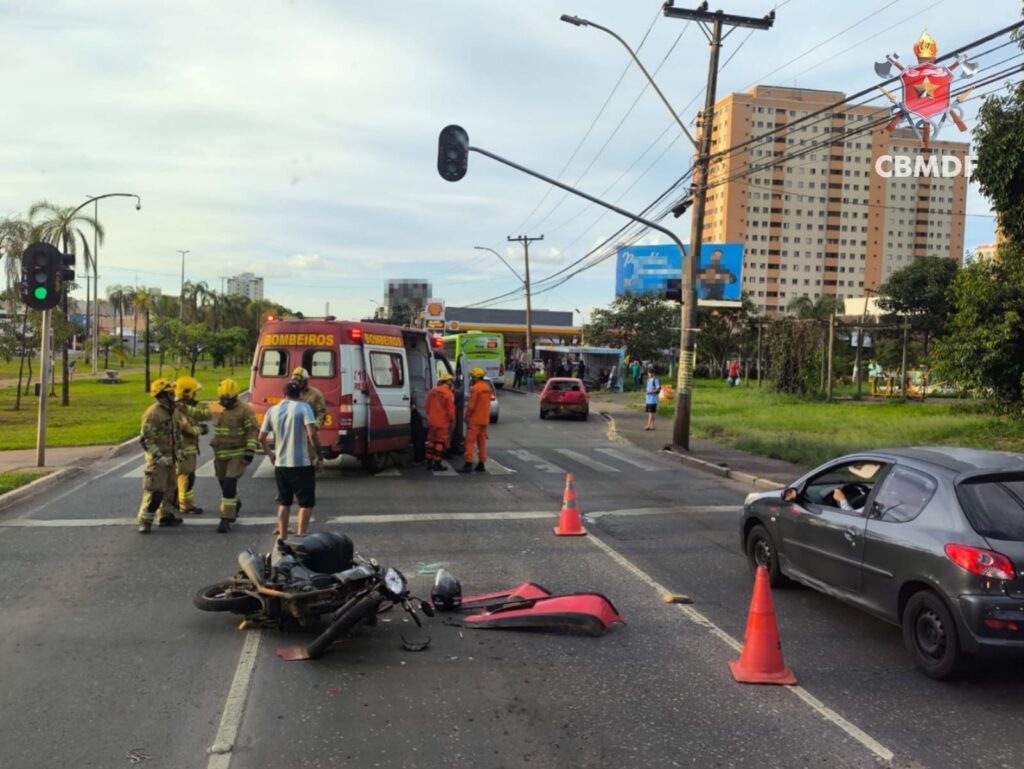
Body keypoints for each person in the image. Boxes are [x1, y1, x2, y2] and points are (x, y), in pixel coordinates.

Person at [259, 380, 323, 539]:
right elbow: (312, 433)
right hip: (301, 464)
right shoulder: (304, 407)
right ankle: (301, 537)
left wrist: (270, 454)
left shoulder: (272, 410)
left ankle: (282, 537)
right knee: (306, 503)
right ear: (300, 394)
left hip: (281, 465)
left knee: (284, 503)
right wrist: (319, 456)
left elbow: (261, 438)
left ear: (284, 394)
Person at [210, 379, 259, 533]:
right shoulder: (216, 406)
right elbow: (199, 414)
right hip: (220, 454)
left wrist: (250, 450)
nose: (224, 402)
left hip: (237, 453)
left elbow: (252, 431)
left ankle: (226, 518)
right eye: (222, 399)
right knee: (224, 485)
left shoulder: (245, 410)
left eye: (228, 399)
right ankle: (235, 503)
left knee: (230, 483)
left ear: (236, 396)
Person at [136, 378, 183, 534]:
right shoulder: (153, 414)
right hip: (158, 462)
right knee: (155, 491)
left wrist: (179, 451)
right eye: (170, 392)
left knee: (170, 489)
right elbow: (146, 439)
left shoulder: (173, 411)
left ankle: (165, 516)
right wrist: (157, 456)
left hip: (170, 459)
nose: (174, 394)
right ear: (162, 395)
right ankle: (145, 520)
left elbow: (176, 433)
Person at [173, 376, 207, 516]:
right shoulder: (180, 409)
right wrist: (201, 430)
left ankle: (177, 503)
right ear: (188, 393)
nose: (196, 395)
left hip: (184, 449)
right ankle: (186, 506)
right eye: (194, 392)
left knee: (180, 477)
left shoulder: (181, 407)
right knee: (187, 477)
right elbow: (187, 429)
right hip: (185, 450)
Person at [458, 367, 491, 473]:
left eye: (472, 377)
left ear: (476, 377)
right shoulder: (487, 388)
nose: (472, 379)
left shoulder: (475, 388)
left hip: (475, 420)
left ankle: (468, 463)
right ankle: (481, 463)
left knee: (470, 441)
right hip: (484, 420)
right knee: (482, 442)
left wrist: (466, 416)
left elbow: (471, 406)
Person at [424, 372, 456, 471]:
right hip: (442, 422)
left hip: (432, 421)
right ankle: (437, 463)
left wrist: (431, 415)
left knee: (431, 442)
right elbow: (451, 411)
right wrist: (452, 422)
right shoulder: (449, 394)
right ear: (449, 382)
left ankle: (429, 463)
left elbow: (426, 406)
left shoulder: (432, 391)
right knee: (440, 442)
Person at [644, 366, 661, 431]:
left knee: (651, 413)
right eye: (648, 373)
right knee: (651, 413)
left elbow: (657, 389)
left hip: (653, 399)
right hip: (648, 399)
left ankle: (648, 425)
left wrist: (650, 392)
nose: (649, 374)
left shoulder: (655, 380)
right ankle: (652, 426)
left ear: (653, 373)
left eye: (650, 373)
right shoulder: (648, 380)